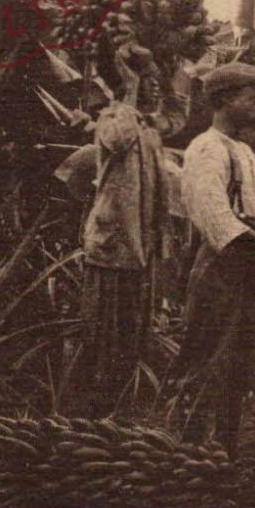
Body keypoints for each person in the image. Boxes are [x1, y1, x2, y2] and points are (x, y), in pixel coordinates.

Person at [164, 62, 255, 459]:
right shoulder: (205, 148)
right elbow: (213, 216)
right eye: (254, 100)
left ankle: (224, 447)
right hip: (223, 264)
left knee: (239, 359)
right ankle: (187, 448)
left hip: (250, 264)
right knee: (207, 354)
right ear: (224, 101)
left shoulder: (244, 152)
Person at [75, 45, 171, 416]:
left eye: (156, 81)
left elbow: (159, 191)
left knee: (133, 333)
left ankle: (124, 408)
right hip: (113, 247)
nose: (156, 88)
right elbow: (115, 142)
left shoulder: (148, 130)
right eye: (148, 81)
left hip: (139, 249)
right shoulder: (113, 118)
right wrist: (127, 90)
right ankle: (95, 410)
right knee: (105, 334)